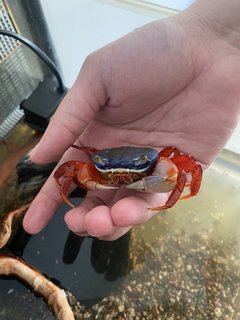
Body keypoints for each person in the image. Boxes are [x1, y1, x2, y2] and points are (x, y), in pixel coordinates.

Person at [23, 0, 240, 240]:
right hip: (109, 168)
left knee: (184, 163)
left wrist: (216, 33)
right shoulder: (92, 164)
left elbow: (184, 169)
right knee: (71, 172)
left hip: (143, 166)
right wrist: (212, 30)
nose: (122, 176)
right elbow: (67, 171)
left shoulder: (162, 159)